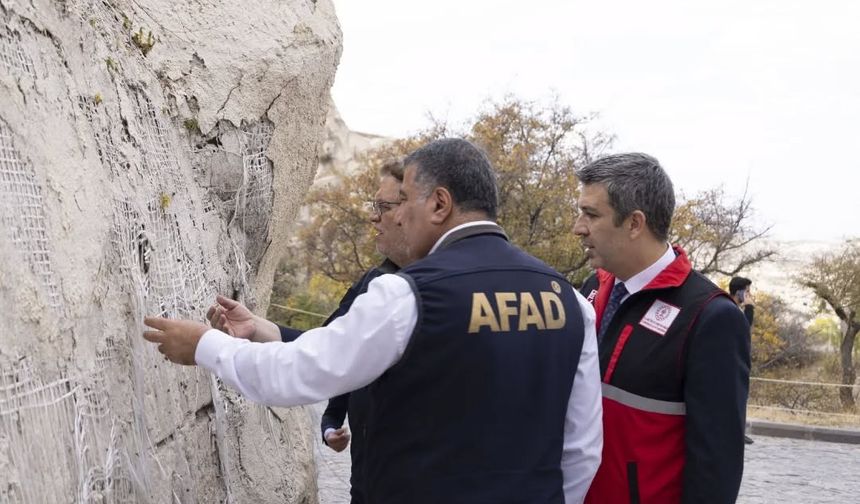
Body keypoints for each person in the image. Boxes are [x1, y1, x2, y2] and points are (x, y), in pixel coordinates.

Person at [144, 138, 603, 504]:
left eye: (403, 199)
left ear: (439, 205)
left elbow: (298, 374)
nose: (395, 214)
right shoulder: (569, 300)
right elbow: (582, 449)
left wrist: (204, 345)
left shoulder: (409, 294)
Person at [207, 159, 408, 504]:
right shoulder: (375, 283)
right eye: (374, 205)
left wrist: (203, 347)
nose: (374, 216)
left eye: (384, 206)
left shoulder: (438, 294)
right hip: (368, 485)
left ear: (418, 209)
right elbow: (328, 346)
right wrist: (256, 328)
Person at [573, 153, 750, 504]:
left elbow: (716, 465)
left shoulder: (710, 316)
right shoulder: (592, 287)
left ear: (635, 223)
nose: (578, 227)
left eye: (591, 214)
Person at [729, 275, 756, 445]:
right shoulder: (728, 308)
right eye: (746, 291)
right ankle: (735, 432)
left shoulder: (734, 309)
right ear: (739, 292)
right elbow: (744, 330)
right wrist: (750, 308)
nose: (749, 294)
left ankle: (737, 430)